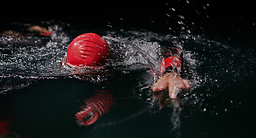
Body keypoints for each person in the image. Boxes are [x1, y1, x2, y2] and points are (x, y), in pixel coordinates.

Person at [62, 33, 190, 126]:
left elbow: (169, 50)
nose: (86, 78)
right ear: (64, 66)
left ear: (109, 67)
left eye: (93, 74)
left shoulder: (127, 64)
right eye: (79, 73)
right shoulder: (61, 69)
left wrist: (170, 73)